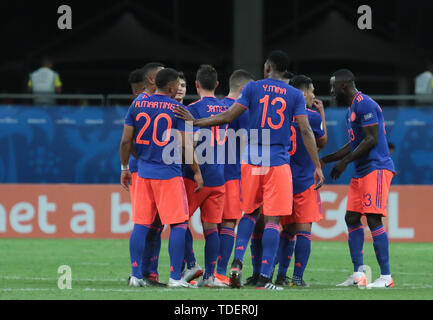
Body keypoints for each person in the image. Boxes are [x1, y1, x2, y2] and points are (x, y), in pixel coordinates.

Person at [174, 50, 324, 290]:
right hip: (277, 161)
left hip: (251, 161)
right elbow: (306, 131)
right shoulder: (295, 95)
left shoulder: (253, 89)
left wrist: (196, 122)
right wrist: (317, 166)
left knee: (250, 214)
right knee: (274, 219)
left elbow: (228, 115)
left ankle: (237, 262)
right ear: (285, 71)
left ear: (267, 68)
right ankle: (265, 278)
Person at [120, 68, 203, 288]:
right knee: (178, 224)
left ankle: (136, 275)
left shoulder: (137, 103)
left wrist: (125, 166)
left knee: (140, 224)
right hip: (168, 174)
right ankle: (176, 277)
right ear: (170, 87)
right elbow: (186, 146)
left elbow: (126, 142)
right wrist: (196, 171)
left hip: (144, 173)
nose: (178, 88)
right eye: (177, 85)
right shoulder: (177, 109)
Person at [321, 69, 395, 289]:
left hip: (377, 168)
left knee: (373, 219)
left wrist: (345, 162)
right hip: (362, 171)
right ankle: (358, 274)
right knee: (352, 218)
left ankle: (386, 277)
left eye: (333, 86)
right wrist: (328, 159)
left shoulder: (366, 104)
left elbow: (372, 140)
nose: (331, 91)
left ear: (343, 85)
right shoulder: (351, 110)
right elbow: (354, 144)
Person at [274, 75, 328, 287]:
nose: (314, 95)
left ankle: (278, 274)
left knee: (285, 231)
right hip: (305, 180)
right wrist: (321, 113)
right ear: (304, 93)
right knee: (303, 230)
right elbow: (322, 141)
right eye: (312, 91)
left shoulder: (280, 116)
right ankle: (297, 277)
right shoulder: (312, 117)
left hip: (282, 179)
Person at [181, 64, 228, 287]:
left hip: (196, 177)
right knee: (211, 228)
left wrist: (196, 171)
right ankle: (210, 276)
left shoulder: (193, 109)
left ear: (196, 84)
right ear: (217, 84)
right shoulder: (226, 108)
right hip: (219, 176)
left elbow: (190, 143)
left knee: (179, 222)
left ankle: (191, 264)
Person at [126, 64, 167, 287]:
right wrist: (139, 157)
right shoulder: (141, 102)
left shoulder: (153, 102)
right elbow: (127, 141)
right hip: (144, 169)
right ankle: (141, 272)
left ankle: (147, 273)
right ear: (151, 80)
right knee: (146, 221)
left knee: (155, 224)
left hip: (151, 168)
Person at [214, 69, 254, 285]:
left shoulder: (215, 106)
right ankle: (220, 272)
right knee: (229, 223)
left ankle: (199, 270)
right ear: (244, 89)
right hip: (232, 173)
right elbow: (247, 141)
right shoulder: (243, 110)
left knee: (212, 225)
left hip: (211, 172)